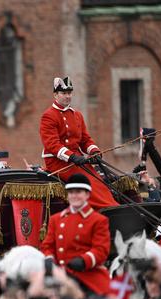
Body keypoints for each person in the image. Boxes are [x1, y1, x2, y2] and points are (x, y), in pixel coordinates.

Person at [39, 76, 118, 208]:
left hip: (77, 160)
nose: (67, 96)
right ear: (55, 95)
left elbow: (85, 139)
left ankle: (112, 207)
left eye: (69, 93)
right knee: (88, 182)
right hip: (58, 162)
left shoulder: (77, 115)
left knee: (99, 181)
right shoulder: (49, 115)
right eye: (64, 93)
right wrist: (71, 156)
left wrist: (94, 151)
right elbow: (52, 144)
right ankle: (107, 208)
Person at [40, 173, 111, 295]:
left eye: (78, 192)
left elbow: (101, 250)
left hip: (88, 277)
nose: (74, 195)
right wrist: (49, 259)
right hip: (61, 276)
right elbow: (48, 246)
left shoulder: (98, 220)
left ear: (87, 194)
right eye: (71, 192)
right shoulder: (56, 219)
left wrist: (84, 261)